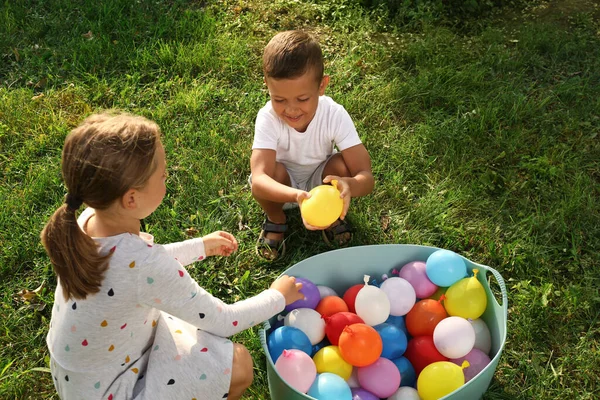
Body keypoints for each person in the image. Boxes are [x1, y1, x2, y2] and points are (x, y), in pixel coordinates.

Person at [41, 113, 303, 400]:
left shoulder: (86, 220)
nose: (167, 180)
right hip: (117, 389)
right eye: (163, 176)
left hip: (85, 378)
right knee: (238, 365)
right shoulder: (143, 265)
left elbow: (133, 269)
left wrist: (200, 247)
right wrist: (278, 296)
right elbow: (223, 320)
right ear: (131, 199)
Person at [250, 30, 374, 260]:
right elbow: (259, 180)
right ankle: (277, 217)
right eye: (279, 99)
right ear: (267, 85)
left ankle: (331, 215)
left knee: (342, 166)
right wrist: (298, 196)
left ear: (322, 86)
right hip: (284, 186)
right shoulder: (267, 117)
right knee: (271, 173)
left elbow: (365, 175)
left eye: (303, 99)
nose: (291, 110)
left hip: (322, 180)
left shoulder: (334, 114)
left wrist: (349, 185)